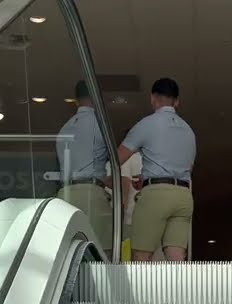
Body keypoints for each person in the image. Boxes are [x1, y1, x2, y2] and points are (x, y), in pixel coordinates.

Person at [118, 77, 195, 262]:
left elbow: (118, 157)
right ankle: (180, 291)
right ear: (177, 101)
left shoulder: (147, 124)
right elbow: (188, 168)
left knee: (141, 256)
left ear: (152, 98)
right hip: (183, 196)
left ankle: (139, 292)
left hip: (156, 195)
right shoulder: (188, 130)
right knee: (176, 258)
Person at [57, 80, 114, 254]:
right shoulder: (100, 124)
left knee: (69, 253)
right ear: (96, 96)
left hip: (65, 195)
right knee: (101, 252)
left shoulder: (64, 128)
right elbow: (115, 157)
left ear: (76, 99)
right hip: (91, 193)